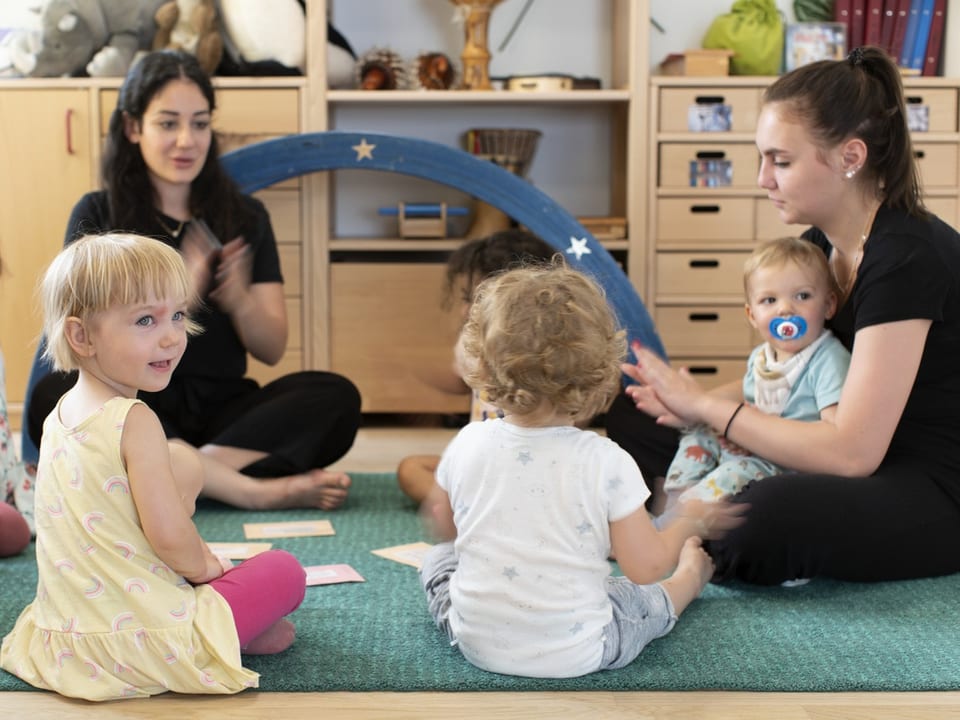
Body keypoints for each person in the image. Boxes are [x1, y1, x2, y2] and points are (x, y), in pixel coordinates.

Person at [619, 46, 960, 585]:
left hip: (925, 479)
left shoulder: (906, 258)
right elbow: (784, 376)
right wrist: (684, 400)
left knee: (759, 520)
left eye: (781, 161)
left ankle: (661, 519)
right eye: (762, 159)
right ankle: (666, 513)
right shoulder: (818, 246)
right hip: (822, 445)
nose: (762, 178)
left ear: (850, 157)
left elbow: (852, 453)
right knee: (629, 416)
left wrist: (709, 407)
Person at [27, 49, 361, 512]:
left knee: (335, 396)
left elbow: (271, 348)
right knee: (52, 400)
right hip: (132, 401)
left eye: (200, 124)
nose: (186, 140)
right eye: (168, 124)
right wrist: (180, 286)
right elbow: (76, 334)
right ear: (133, 127)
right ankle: (241, 488)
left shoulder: (245, 216)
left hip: (222, 413)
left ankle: (182, 472)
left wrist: (240, 297)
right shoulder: (98, 214)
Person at [1, 233, 307, 701]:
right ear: (81, 336)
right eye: (145, 319)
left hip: (64, 635)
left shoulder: (59, 414)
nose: (171, 336)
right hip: (142, 640)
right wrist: (207, 566)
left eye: (178, 315)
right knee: (284, 571)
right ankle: (218, 637)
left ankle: (230, 631)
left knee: (182, 461)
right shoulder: (134, 419)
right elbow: (168, 538)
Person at [418, 262, 745, 678]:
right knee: (638, 601)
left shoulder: (467, 441)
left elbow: (443, 524)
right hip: (581, 649)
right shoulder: (606, 460)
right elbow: (644, 569)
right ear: (598, 372)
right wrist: (686, 521)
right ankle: (691, 580)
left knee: (437, 562)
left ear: (480, 366)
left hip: (475, 641)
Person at [658, 236, 850, 519]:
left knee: (732, 474)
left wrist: (751, 433)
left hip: (791, 464)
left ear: (829, 305)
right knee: (699, 430)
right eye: (769, 300)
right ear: (751, 314)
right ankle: (674, 500)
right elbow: (752, 406)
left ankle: (678, 524)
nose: (785, 309)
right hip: (755, 449)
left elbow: (833, 435)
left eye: (802, 296)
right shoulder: (760, 357)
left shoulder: (827, 360)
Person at [397, 229, 556, 503]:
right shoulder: (469, 343)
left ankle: (485, 511)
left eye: (477, 299)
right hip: (483, 463)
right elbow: (462, 380)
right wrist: (418, 372)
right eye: (466, 298)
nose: (464, 311)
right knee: (410, 469)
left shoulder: (551, 351)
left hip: (540, 465)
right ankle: (476, 511)